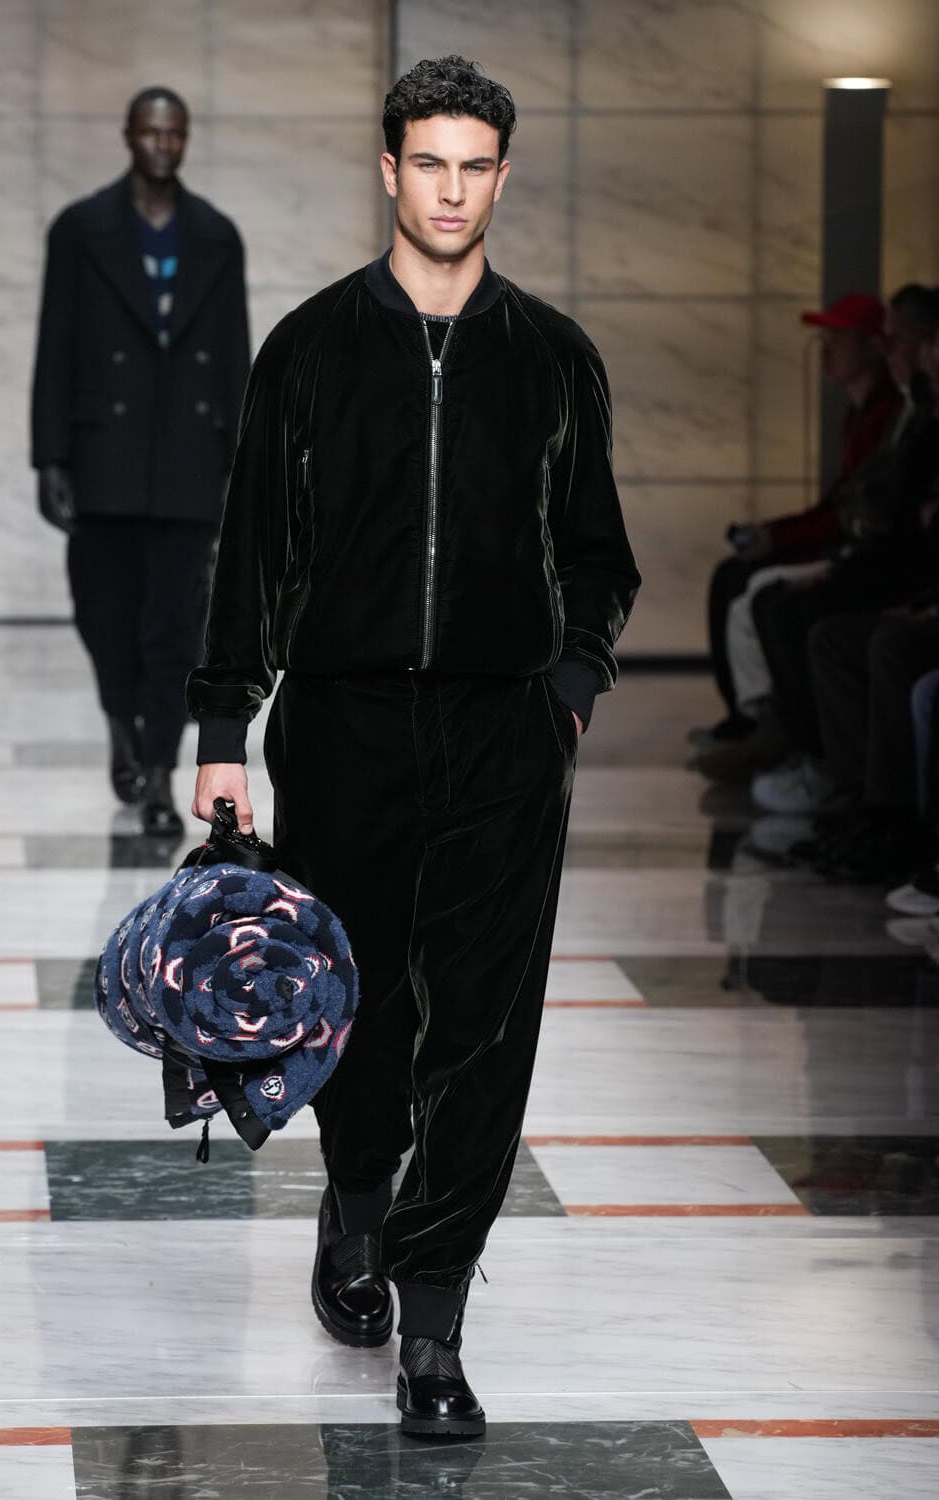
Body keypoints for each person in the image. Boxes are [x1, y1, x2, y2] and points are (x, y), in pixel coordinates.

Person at [187, 55, 639, 1439]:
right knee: (362, 1005)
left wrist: (568, 687)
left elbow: (598, 554)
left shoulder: (553, 358)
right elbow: (254, 545)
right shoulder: (311, 349)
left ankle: (434, 1320)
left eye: (473, 166)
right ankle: (356, 1201)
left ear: (503, 176)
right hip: (345, 727)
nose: (450, 190)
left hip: (506, 734)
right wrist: (225, 724)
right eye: (427, 163)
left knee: (485, 1027)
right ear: (389, 169)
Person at [31, 86, 250, 836]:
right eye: (152, 132)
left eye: (175, 133)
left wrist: (239, 465)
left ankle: (158, 772)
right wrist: (49, 459)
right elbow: (55, 346)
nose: (163, 145)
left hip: (188, 461)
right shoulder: (81, 229)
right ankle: (120, 724)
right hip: (104, 457)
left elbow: (233, 356)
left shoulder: (216, 236)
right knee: (105, 616)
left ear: (185, 139)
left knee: (176, 629)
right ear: (128, 135)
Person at [690, 292, 902, 758]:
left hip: (864, 554)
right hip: (843, 542)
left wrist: (779, 537)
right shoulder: (863, 415)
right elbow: (839, 505)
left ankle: (784, 736)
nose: (826, 351)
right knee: (733, 576)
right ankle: (751, 721)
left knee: (766, 597)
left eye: (837, 340)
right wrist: (776, 533)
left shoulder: (887, 417)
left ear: (873, 347)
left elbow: (851, 514)